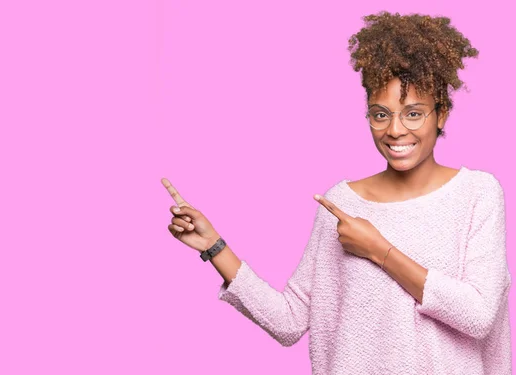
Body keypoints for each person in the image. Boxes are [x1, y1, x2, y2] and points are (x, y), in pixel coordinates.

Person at [162, 11, 512, 374]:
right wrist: (214, 246)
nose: (395, 130)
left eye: (413, 114)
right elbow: (290, 320)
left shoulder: (476, 193)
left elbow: (478, 315)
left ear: (441, 115)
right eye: (380, 114)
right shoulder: (342, 202)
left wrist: (380, 250)